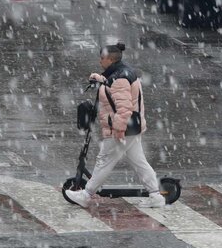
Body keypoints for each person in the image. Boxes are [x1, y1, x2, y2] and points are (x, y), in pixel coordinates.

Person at [65, 42, 166, 208]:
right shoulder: (122, 72)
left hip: (122, 129)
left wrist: (119, 130)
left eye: (102, 58)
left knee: (104, 160)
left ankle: (86, 194)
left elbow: (124, 108)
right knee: (139, 162)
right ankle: (155, 196)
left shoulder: (119, 79)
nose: (100, 61)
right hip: (131, 127)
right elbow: (113, 88)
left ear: (111, 59)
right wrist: (100, 79)